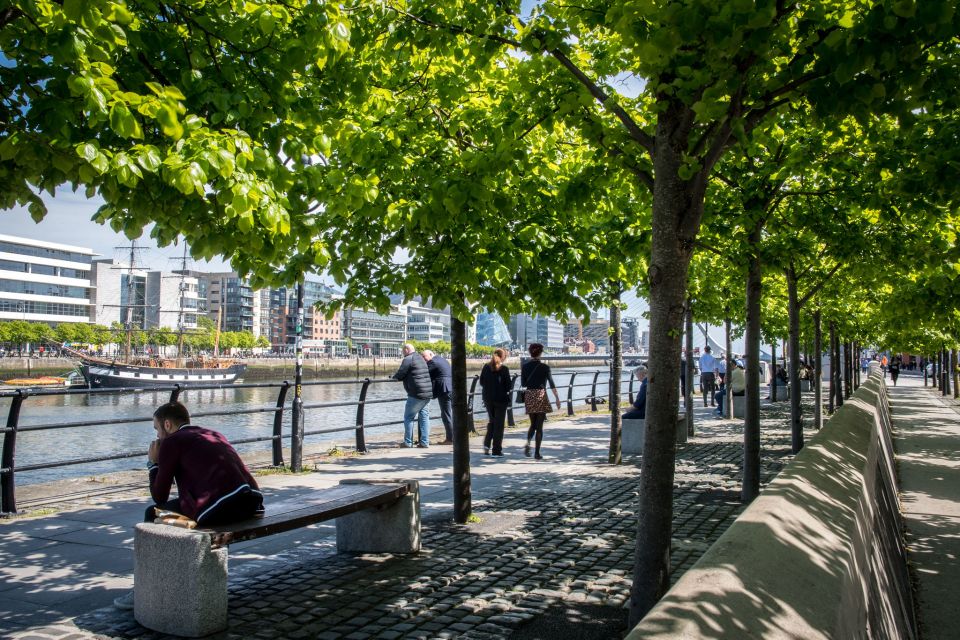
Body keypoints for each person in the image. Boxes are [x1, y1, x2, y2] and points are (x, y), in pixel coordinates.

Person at [145, 401, 263, 525]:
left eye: (157, 429)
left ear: (167, 424)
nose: (157, 435)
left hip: (219, 508)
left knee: (152, 513)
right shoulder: (214, 434)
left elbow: (160, 497)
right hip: (251, 501)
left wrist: (153, 464)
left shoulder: (171, 442)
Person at [521, 343, 562, 460]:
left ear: (530, 352)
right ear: (540, 353)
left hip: (529, 395)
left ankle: (528, 442)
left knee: (532, 424)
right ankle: (537, 453)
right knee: (539, 427)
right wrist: (557, 398)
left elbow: (524, 383)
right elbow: (552, 384)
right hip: (540, 395)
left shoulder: (525, 367)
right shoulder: (545, 367)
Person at [392, 343, 433, 448]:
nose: (402, 353)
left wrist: (394, 378)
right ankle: (424, 442)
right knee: (424, 418)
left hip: (416, 393)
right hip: (427, 393)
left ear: (406, 350)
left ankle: (408, 442)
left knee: (408, 417)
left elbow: (401, 372)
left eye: (402, 351)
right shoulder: (420, 358)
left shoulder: (408, 359)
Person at [479, 348, 512, 456]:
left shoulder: (486, 367)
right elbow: (508, 386)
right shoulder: (504, 369)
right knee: (499, 425)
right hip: (501, 400)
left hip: (488, 399)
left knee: (492, 421)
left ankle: (486, 444)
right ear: (503, 357)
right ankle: (496, 450)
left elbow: (481, 382)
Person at [422, 349, 453, 445]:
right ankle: (452, 437)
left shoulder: (433, 362)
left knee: (446, 414)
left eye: (424, 357)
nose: (423, 359)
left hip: (444, 389)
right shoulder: (442, 359)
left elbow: (423, 372)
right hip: (450, 387)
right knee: (448, 413)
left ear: (431, 354)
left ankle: (450, 439)